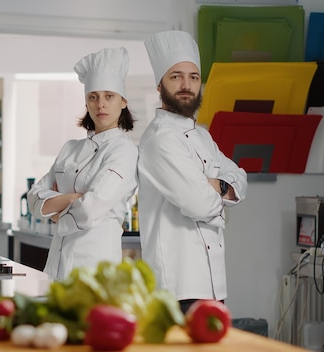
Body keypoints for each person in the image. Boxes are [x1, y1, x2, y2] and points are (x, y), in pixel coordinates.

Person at [137, 31, 248, 314]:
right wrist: (222, 190)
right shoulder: (159, 138)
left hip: (212, 284)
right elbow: (198, 203)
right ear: (159, 85)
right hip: (176, 288)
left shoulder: (203, 136)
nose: (187, 85)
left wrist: (215, 186)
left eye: (194, 77)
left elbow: (240, 177)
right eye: (176, 76)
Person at [27, 47, 138, 281]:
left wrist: (55, 212)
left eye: (109, 96)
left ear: (123, 101)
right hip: (56, 262)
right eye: (93, 96)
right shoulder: (70, 148)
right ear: (86, 102)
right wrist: (72, 199)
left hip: (96, 268)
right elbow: (34, 199)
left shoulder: (124, 150)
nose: (101, 104)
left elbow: (90, 209)